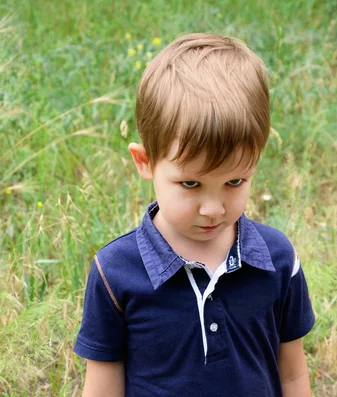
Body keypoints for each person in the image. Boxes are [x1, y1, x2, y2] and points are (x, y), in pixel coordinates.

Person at [74, 32, 316, 397]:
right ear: (146, 162)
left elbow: (293, 376)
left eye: (234, 181)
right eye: (190, 184)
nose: (213, 208)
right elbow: (103, 387)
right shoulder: (115, 272)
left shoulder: (277, 261)